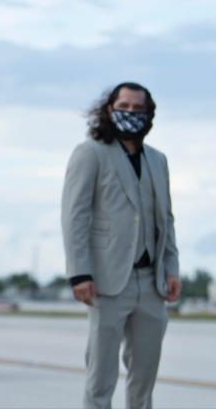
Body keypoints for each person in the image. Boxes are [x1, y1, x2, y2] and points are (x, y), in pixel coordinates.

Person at [61, 82, 182, 409]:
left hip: (151, 282)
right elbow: (75, 216)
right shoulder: (91, 153)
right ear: (109, 110)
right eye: (124, 107)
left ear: (148, 115)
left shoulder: (158, 160)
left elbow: (165, 221)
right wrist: (79, 273)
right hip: (107, 281)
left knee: (144, 376)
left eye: (137, 109)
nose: (130, 114)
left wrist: (171, 269)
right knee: (101, 377)